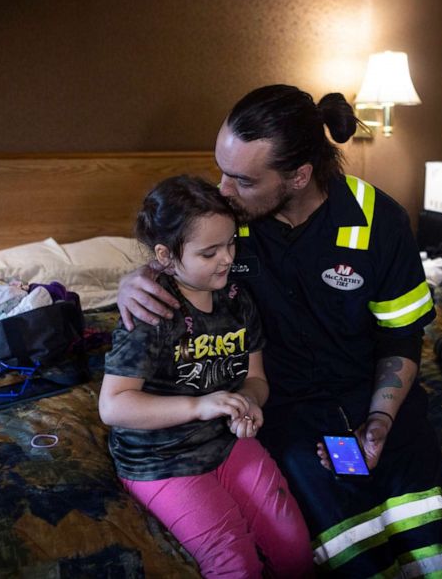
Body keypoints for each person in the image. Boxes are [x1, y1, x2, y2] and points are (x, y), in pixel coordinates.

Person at [118, 85, 442, 577]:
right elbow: (176, 252)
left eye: (241, 178)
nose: (223, 189)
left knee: (438, 554)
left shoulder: (379, 221)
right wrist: (137, 278)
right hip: (287, 411)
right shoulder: (225, 223)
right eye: (220, 169)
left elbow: (401, 336)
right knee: (355, 551)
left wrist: (380, 421)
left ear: (299, 176)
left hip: (378, 401)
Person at [98, 174, 314, 578]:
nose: (228, 258)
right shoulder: (151, 312)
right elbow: (113, 405)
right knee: (237, 564)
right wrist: (200, 406)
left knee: (296, 551)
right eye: (209, 252)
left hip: (226, 443)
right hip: (159, 459)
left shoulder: (238, 300)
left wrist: (247, 402)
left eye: (231, 243)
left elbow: (256, 378)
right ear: (164, 255)